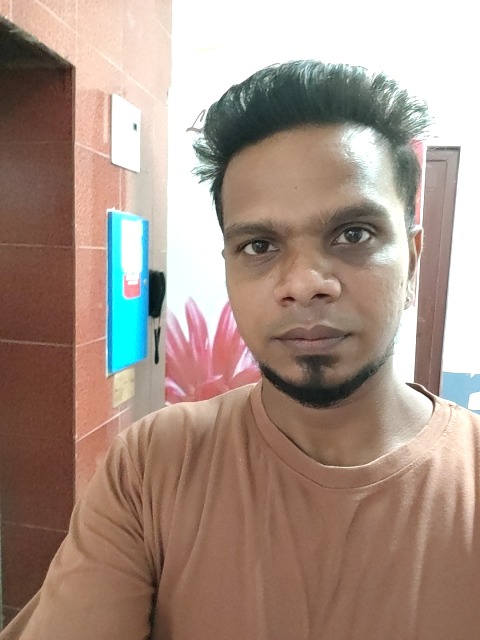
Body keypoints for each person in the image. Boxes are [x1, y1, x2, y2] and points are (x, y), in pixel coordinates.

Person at [2, 60, 479, 640]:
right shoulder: (153, 466)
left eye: (353, 234)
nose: (303, 283)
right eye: (259, 245)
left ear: (413, 262)